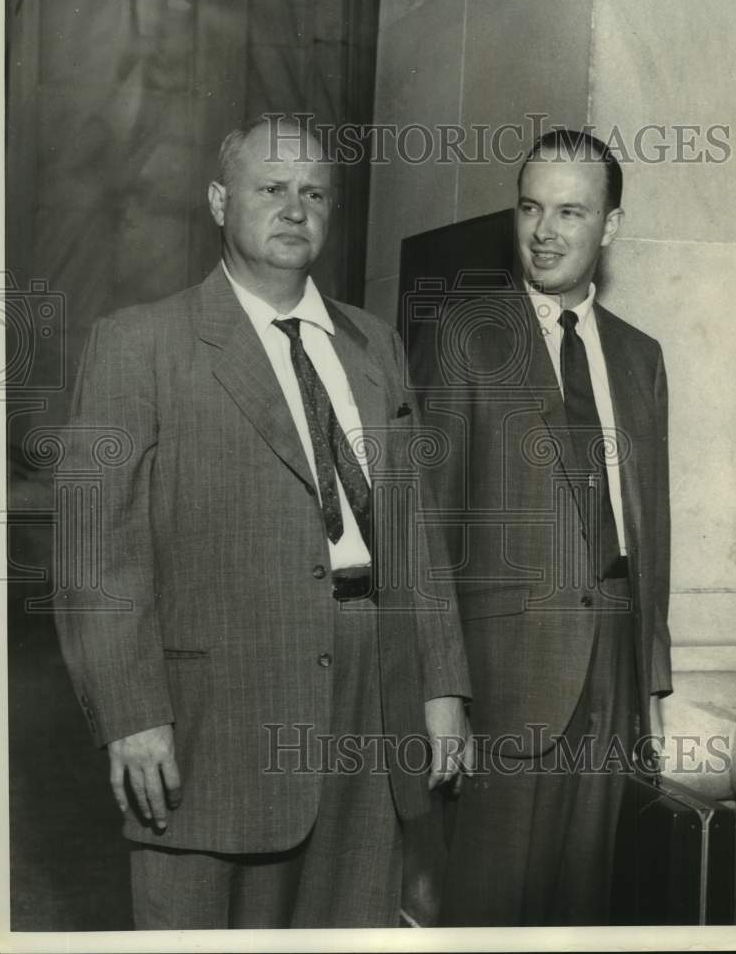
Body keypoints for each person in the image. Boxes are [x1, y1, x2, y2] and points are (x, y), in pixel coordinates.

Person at [55, 116, 472, 929]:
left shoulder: (374, 346)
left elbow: (415, 529)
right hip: (215, 717)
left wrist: (443, 685)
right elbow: (94, 555)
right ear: (219, 201)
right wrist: (131, 712)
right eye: (270, 188)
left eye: (314, 192)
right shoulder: (140, 344)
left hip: (368, 705)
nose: (294, 208)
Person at [418, 129, 672, 925]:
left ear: (612, 226)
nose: (545, 231)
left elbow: (649, 527)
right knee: (489, 910)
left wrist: (652, 684)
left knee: (584, 907)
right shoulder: (468, 336)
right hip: (505, 678)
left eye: (570, 211)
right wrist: (442, 692)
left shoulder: (641, 356)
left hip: (616, 674)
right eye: (530, 208)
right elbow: (425, 527)